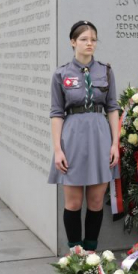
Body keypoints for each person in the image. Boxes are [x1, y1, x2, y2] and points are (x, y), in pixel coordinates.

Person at [48, 21, 121, 253]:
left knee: (96, 201)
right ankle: (75, 253)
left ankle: (90, 253)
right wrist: (58, 149)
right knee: (73, 202)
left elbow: (112, 108)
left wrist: (115, 144)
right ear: (72, 42)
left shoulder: (106, 71)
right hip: (72, 140)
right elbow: (56, 113)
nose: (89, 43)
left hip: (100, 139)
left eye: (93, 39)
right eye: (83, 39)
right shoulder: (61, 74)